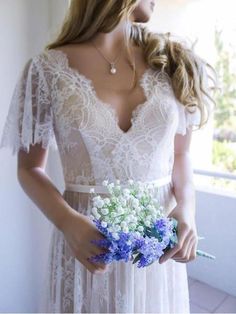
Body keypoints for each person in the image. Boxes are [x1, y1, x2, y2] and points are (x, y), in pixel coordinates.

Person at [0, 0, 216, 312]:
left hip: (155, 251)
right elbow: (29, 168)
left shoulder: (175, 62)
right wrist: (68, 222)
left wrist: (186, 209)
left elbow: (180, 154)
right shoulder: (46, 70)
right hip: (85, 248)